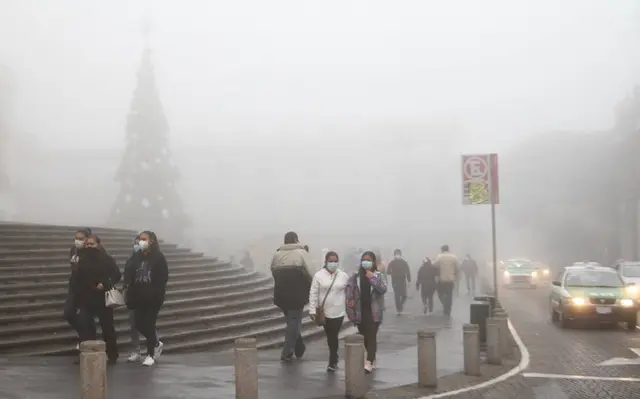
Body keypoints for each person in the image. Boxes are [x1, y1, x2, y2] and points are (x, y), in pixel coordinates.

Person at [74, 234, 120, 364]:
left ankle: (112, 354)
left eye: (92, 244)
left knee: (107, 327)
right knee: (85, 326)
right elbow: (77, 279)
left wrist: (105, 283)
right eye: (87, 244)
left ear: (98, 244)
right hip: (86, 297)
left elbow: (116, 274)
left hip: (102, 297)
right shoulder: (81, 260)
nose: (89, 247)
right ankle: (88, 353)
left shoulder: (106, 259)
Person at [126, 230, 169, 367]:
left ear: (151, 241)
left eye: (144, 239)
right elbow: (130, 272)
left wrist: (155, 293)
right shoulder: (137, 256)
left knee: (149, 324)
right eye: (139, 239)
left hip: (153, 298)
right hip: (138, 297)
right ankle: (156, 343)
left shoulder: (158, 257)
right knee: (139, 324)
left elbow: (163, 278)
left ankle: (150, 354)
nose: (141, 241)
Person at [271, 231, 313, 362]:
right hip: (297, 293)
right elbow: (311, 272)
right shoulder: (302, 253)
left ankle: (299, 347)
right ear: (296, 240)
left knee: (291, 322)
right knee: (294, 321)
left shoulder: (277, 254)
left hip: (281, 294)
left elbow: (272, 269)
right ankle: (287, 352)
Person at [345, 251, 387, 373]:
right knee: (365, 337)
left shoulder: (378, 276)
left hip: (374, 312)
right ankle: (371, 357)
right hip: (360, 311)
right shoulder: (356, 277)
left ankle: (368, 361)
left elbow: (383, 289)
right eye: (364, 259)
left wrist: (372, 278)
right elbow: (350, 294)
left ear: (373, 262)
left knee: (372, 335)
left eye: (369, 260)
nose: (366, 262)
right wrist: (350, 310)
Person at [308, 251, 349, 372]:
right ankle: (334, 354)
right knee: (330, 335)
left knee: (333, 335)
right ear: (325, 262)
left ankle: (332, 359)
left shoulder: (343, 276)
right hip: (324, 312)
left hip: (339, 311)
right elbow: (313, 293)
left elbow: (350, 292)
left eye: (335, 261)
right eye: (331, 261)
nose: (333, 263)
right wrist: (312, 309)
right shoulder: (318, 276)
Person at [65, 228, 91, 350]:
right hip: (74, 286)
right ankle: (83, 335)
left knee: (84, 317)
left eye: (81, 238)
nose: (77, 241)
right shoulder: (73, 250)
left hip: (86, 289)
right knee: (68, 313)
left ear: (87, 239)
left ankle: (85, 342)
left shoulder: (90, 252)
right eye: (76, 238)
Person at [123, 234, 143, 362]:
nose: (137, 246)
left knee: (147, 325)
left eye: (139, 243)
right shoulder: (130, 260)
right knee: (133, 325)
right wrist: (125, 291)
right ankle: (136, 350)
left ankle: (154, 346)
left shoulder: (149, 260)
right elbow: (126, 277)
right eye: (135, 243)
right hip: (132, 297)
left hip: (146, 296)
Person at [434, 245, 459, 316]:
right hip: (451, 279)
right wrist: (456, 277)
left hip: (442, 279)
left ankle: (445, 304)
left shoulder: (439, 257)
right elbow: (457, 267)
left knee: (440, 293)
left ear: (442, 250)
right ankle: (448, 309)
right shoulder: (454, 257)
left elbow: (435, 265)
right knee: (449, 294)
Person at [386, 249, 411, 314]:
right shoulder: (392, 263)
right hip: (396, 280)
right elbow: (388, 272)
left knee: (404, 295)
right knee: (398, 295)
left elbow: (407, 272)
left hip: (401, 280)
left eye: (398, 254)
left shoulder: (403, 262)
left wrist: (409, 280)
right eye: (396, 254)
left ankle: (399, 306)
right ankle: (399, 309)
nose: (397, 255)